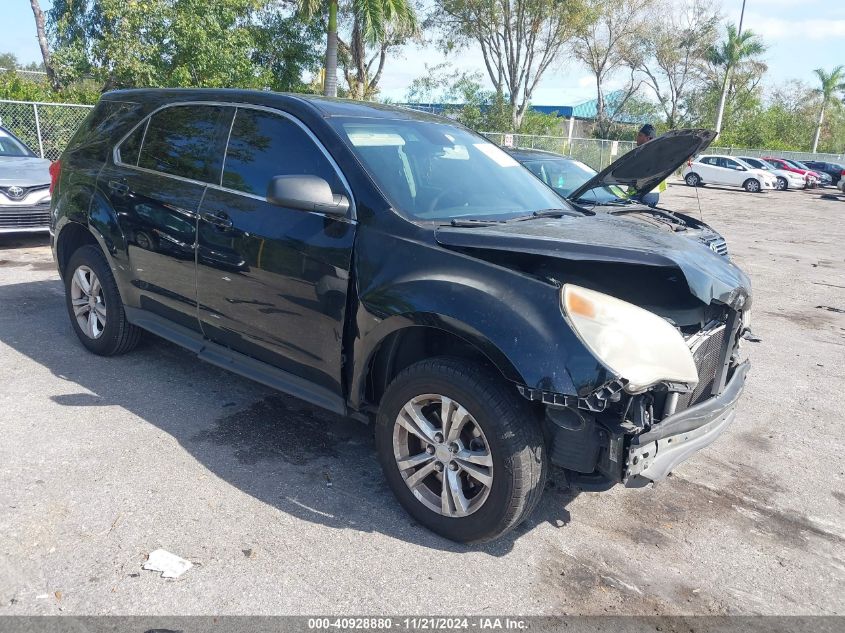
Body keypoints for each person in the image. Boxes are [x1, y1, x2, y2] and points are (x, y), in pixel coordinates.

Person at [633, 123, 666, 208]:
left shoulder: (647, 153)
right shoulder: (657, 152)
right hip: (651, 193)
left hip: (647, 193)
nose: (637, 138)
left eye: (640, 135)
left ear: (648, 138)